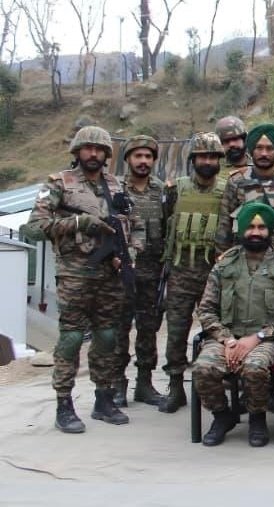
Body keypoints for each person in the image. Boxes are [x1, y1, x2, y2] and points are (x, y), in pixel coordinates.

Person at [25, 126, 144, 433]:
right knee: (72, 339)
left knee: (108, 337)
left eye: (99, 149)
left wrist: (130, 252)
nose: (94, 154)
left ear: (107, 154)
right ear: (77, 152)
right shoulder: (58, 183)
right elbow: (34, 227)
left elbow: (136, 224)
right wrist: (78, 222)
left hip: (110, 276)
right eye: (88, 148)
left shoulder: (116, 185)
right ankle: (64, 405)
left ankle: (104, 399)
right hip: (75, 275)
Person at [194, 202, 274, 447]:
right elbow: (206, 309)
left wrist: (258, 337)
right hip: (226, 338)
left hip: (264, 339)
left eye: (261, 227)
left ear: (270, 230)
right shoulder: (225, 264)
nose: (256, 232)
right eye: (251, 227)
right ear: (242, 230)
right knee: (203, 368)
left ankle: (257, 417)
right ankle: (222, 416)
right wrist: (227, 340)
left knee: (255, 367)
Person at [157, 132, 228, 413]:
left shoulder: (228, 191)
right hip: (181, 272)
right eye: (202, 157)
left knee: (217, 331)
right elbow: (165, 225)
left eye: (212, 157)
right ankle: (176, 387)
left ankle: (215, 386)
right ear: (193, 160)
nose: (207, 162)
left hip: (215, 274)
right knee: (176, 332)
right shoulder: (176, 189)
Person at [113, 135, 167, 408]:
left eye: (148, 157)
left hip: (152, 272)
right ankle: (117, 384)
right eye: (138, 156)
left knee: (148, 330)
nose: (143, 161)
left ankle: (144, 384)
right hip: (123, 273)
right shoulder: (115, 190)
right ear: (128, 159)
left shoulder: (161, 191)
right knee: (120, 329)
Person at [217, 124, 274, 264]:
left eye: (269, 148)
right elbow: (224, 226)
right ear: (251, 150)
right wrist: (223, 262)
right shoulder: (237, 181)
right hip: (243, 261)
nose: (264, 153)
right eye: (259, 148)